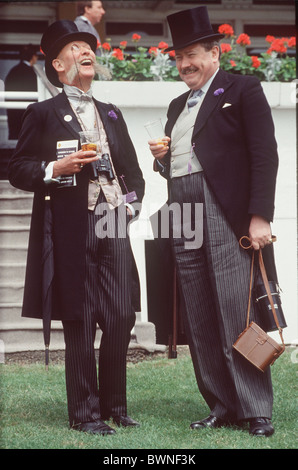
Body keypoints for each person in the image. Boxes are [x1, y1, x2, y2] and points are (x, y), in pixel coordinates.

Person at [8, 20, 145, 436]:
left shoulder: (111, 113)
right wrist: (55, 167)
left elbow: (133, 174)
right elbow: (17, 169)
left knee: (121, 314)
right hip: (71, 226)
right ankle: (85, 413)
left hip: (112, 221)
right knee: (81, 317)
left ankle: (115, 405)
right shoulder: (43, 113)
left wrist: (130, 207)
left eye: (89, 46)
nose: (86, 51)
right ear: (56, 63)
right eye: (75, 47)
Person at [149, 6, 279, 437]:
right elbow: (176, 167)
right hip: (183, 207)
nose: (184, 64)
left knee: (235, 310)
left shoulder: (242, 89)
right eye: (179, 56)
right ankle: (221, 405)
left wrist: (259, 216)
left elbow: (264, 155)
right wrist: (163, 160)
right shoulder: (175, 104)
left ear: (215, 51)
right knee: (199, 312)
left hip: (225, 209)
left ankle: (255, 409)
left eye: (192, 55)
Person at [5, 45, 38, 140]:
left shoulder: (13, 71)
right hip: (25, 113)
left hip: (12, 112)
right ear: (33, 57)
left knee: (15, 139)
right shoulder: (31, 72)